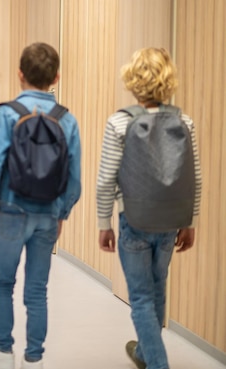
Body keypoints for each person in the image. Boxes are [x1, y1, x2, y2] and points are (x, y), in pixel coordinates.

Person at [0, 43, 82, 369]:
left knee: (2, 282)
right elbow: (74, 176)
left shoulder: (6, 113)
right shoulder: (67, 120)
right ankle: (34, 360)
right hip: (47, 213)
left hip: (11, 209)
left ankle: (3, 355)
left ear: (20, 74)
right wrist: (61, 212)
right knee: (37, 289)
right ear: (57, 77)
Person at [96, 47, 201, 369]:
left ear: (132, 80)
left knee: (140, 296)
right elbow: (194, 177)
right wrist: (190, 220)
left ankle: (157, 363)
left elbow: (105, 180)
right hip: (171, 221)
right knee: (158, 288)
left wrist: (104, 223)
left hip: (135, 221)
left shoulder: (119, 122)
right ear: (168, 81)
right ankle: (144, 352)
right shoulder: (185, 121)